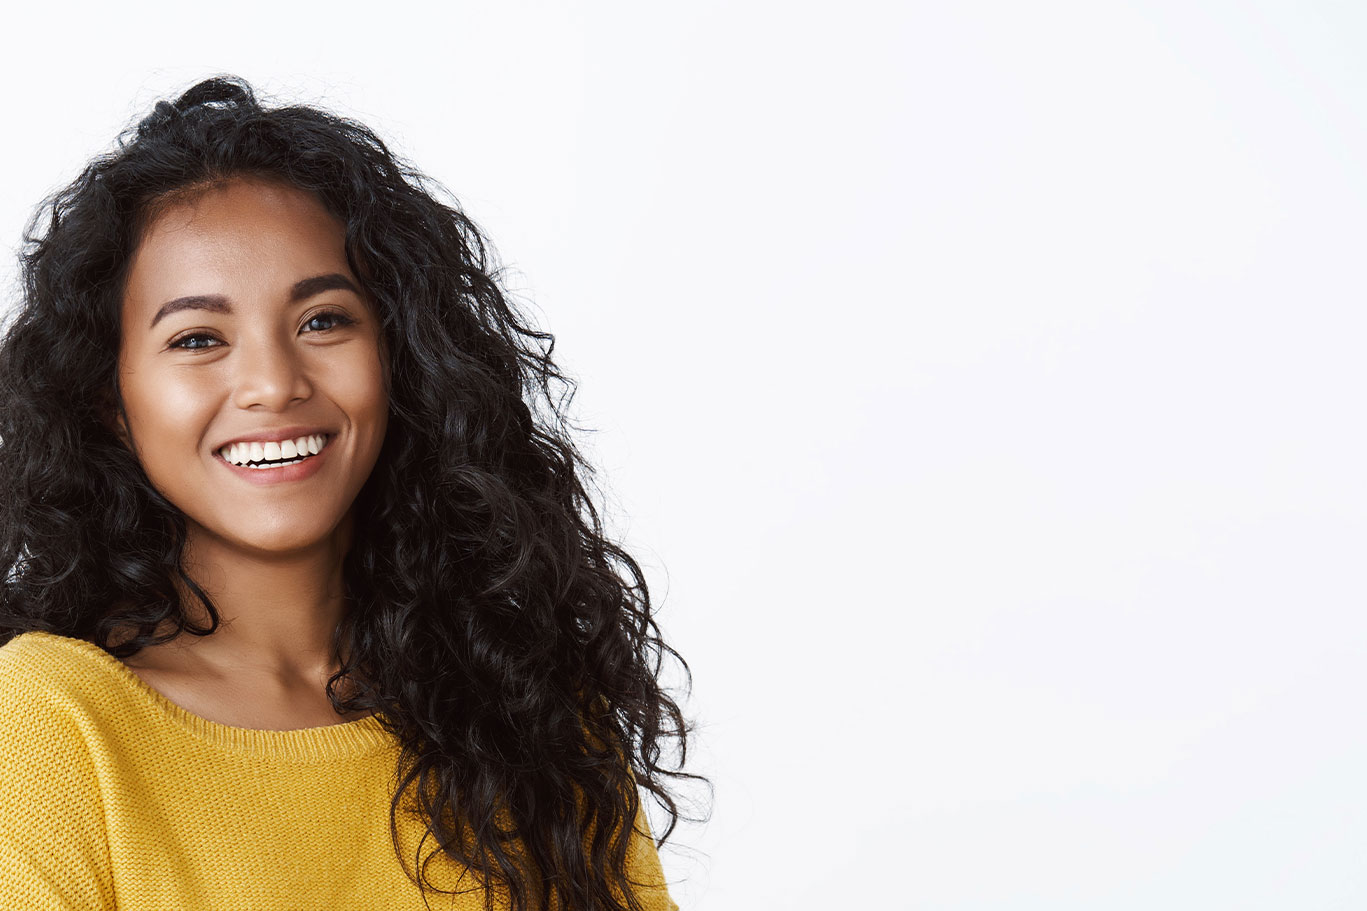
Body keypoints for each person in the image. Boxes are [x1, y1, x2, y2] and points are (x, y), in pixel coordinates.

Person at [0, 76, 700, 911]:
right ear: (109, 401)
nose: (271, 383)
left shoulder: (534, 711)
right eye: (196, 338)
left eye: (322, 320)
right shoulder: (51, 724)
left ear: (397, 355)